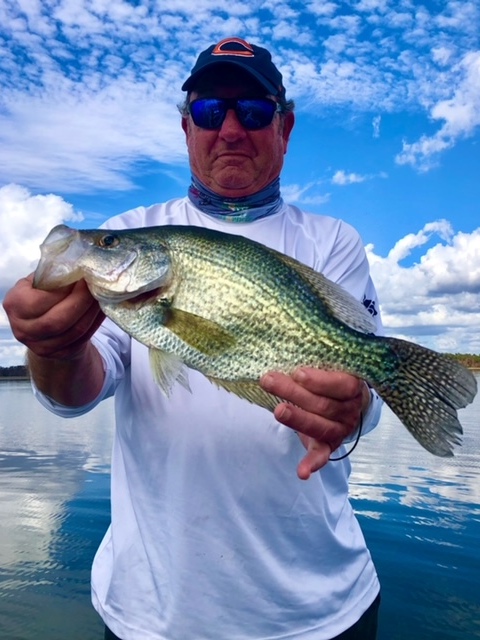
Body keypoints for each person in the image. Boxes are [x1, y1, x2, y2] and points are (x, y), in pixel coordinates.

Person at [4, 37, 383, 640]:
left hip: (320, 611)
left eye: (254, 113)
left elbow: (365, 387)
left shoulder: (333, 241)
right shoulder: (133, 232)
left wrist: (356, 406)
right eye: (210, 112)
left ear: (284, 129)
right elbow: (75, 395)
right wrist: (54, 349)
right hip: (153, 614)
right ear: (187, 128)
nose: (230, 128)